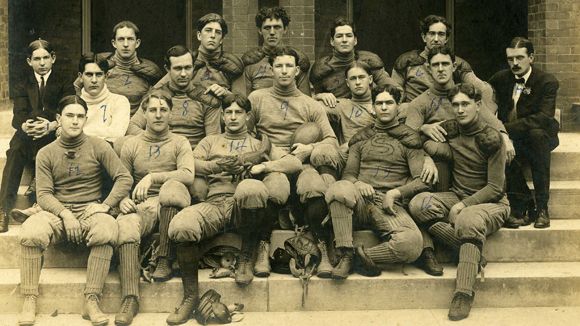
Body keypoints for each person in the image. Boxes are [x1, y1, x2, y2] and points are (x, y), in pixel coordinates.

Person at [165, 94, 301, 325]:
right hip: (214, 202)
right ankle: (190, 296)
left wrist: (262, 166)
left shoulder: (258, 143)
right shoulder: (211, 142)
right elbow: (191, 162)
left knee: (251, 188)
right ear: (222, 116)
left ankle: (247, 257)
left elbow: (294, 163)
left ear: (248, 116)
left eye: (239, 112)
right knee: (181, 225)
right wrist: (215, 166)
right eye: (229, 112)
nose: (233, 117)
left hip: (244, 206)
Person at [17, 95, 133, 326]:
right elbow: (44, 195)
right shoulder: (46, 152)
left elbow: (124, 178)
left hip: (90, 210)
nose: (75, 121)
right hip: (57, 213)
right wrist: (65, 214)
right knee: (30, 232)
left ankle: (92, 299)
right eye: (70, 115)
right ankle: (29, 299)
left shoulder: (98, 145)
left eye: (80, 116)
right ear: (59, 119)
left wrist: (105, 205)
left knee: (107, 228)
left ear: (85, 119)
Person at [404, 45, 510, 276]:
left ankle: (464, 280)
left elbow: (490, 123)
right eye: (435, 65)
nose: (441, 69)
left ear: (453, 66)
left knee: (468, 218)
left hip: (481, 176)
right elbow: (408, 137)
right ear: (429, 69)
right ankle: (467, 248)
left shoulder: (466, 97)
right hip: (447, 170)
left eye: (445, 64)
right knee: (418, 203)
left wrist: (504, 137)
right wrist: (425, 148)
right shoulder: (421, 103)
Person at [409, 83, 509, 321]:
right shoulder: (451, 129)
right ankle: (471, 253)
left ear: (477, 105)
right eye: (455, 105)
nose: (460, 109)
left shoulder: (491, 138)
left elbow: (495, 187)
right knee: (418, 204)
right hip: (456, 195)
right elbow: (416, 138)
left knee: (468, 219)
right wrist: (426, 155)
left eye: (466, 104)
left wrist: (464, 205)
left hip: (490, 203)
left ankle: (463, 293)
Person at [248, 46, 341, 278]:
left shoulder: (311, 104)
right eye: (278, 66)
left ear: (297, 70)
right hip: (271, 162)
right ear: (271, 69)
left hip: (301, 162)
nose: (284, 71)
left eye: (289, 66)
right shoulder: (257, 98)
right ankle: (262, 247)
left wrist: (310, 148)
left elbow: (331, 139)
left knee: (313, 184)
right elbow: (245, 135)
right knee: (275, 187)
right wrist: (268, 149)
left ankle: (322, 248)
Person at [325, 85, 426, 280]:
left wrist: (395, 193)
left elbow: (420, 181)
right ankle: (345, 252)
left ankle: (361, 257)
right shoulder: (362, 138)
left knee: (412, 244)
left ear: (398, 107)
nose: (384, 107)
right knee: (339, 189)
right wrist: (357, 184)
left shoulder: (409, 139)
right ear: (373, 108)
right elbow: (348, 175)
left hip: (389, 205)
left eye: (389, 103)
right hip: (360, 201)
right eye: (379, 103)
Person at [114, 91, 195, 325]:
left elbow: (188, 175)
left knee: (170, 190)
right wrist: (121, 200)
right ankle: (130, 298)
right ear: (144, 113)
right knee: (126, 226)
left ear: (171, 113)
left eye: (163, 110)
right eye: (152, 110)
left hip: (173, 202)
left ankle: (164, 259)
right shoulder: (132, 144)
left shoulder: (180, 142)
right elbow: (122, 179)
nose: (158, 115)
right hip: (144, 204)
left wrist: (153, 177)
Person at [0, 39, 75, 232]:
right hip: (28, 132)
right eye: (37, 59)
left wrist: (51, 125)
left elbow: (68, 108)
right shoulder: (23, 83)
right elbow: (18, 115)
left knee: (48, 155)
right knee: (15, 151)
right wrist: (26, 125)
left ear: (53, 58)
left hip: (52, 132)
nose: (42, 63)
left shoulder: (64, 81)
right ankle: (3, 209)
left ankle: (40, 206)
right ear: (29, 61)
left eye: (45, 58)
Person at [489, 37, 559, 229]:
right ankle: (525, 202)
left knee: (537, 136)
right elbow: (486, 109)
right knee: (495, 143)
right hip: (512, 137)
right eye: (510, 59)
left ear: (532, 58)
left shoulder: (547, 81)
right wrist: (502, 134)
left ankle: (542, 207)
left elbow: (544, 117)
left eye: (520, 58)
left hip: (539, 136)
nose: (515, 63)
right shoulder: (500, 79)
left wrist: (506, 129)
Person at [126, 45, 221, 149]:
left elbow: (212, 140)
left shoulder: (207, 99)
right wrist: (156, 140)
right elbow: (132, 127)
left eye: (188, 68)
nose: (184, 74)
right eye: (178, 68)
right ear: (167, 69)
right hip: (160, 151)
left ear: (193, 67)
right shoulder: (155, 95)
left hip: (193, 155)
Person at [391, 15, 492, 105]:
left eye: (441, 34)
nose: (436, 39)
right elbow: (394, 92)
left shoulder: (457, 64)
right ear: (424, 37)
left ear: (446, 39)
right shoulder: (407, 61)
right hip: (414, 113)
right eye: (431, 34)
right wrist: (401, 107)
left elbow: (484, 90)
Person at [310, 17, 398, 108]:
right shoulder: (322, 69)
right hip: (337, 116)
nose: (344, 40)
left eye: (348, 35)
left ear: (355, 40)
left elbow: (395, 91)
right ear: (332, 41)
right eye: (339, 36)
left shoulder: (368, 62)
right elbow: (310, 102)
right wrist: (319, 96)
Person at [155, 14, 244, 101]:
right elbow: (156, 92)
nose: (213, 35)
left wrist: (226, 93)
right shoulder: (187, 61)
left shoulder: (231, 65)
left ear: (221, 40)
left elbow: (243, 101)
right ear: (199, 35)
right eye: (208, 30)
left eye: (218, 32)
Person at [237, 6, 311, 95]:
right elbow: (243, 103)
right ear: (260, 30)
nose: (272, 32)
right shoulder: (250, 63)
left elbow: (305, 100)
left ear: (285, 29)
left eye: (277, 27)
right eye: (267, 28)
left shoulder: (296, 60)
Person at [79, 53, 131, 144]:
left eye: (99, 75)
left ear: (106, 76)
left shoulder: (119, 101)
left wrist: (80, 132)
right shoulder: (73, 104)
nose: (94, 80)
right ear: (80, 77)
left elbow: (117, 134)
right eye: (89, 75)